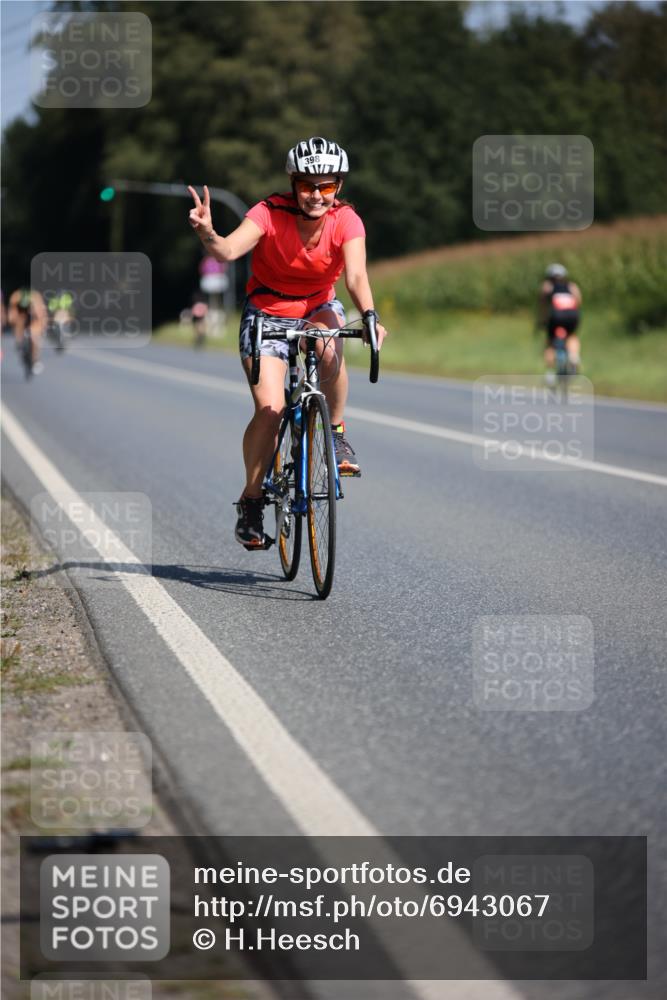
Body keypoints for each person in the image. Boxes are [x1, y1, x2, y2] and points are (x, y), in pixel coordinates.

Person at [187, 136, 388, 548]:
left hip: (317, 306)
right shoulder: (267, 213)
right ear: (293, 183)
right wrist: (208, 232)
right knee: (271, 408)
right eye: (307, 185)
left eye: (326, 186)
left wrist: (369, 316)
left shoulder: (346, 220)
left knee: (329, 346)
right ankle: (252, 499)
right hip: (267, 311)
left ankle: (334, 431)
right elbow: (226, 251)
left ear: (338, 187)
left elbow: (355, 277)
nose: (316, 195)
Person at [537, 263, 582, 386]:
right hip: (572, 315)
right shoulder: (572, 286)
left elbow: (543, 306)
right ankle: (574, 356)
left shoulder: (547, 286)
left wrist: (542, 321)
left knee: (550, 342)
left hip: (556, 317)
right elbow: (578, 301)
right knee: (572, 336)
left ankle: (550, 372)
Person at [8, 287, 47, 373]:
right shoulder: (16, 296)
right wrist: (12, 319)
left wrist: (42, 326)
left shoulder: (36, 298)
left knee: (34, 336)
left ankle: (35, 358)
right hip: (21, 315)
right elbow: (12, 312)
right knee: (19, 322)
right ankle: (19, 341)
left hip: (34, 318)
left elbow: (41, 314)